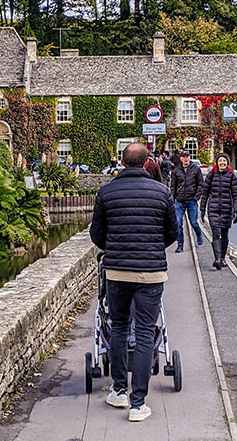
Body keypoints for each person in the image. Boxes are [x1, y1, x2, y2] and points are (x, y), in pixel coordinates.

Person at [89, 142, 177, 423]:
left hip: (116, 272)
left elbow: (97, 234)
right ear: (147, 162)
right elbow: (171, 234)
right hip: (151, 273)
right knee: (144, 335)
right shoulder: (162, 192)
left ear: (122, 162)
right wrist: (151, 250)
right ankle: (138, 405)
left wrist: (114, 251)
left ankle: (118, 391)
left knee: (117, 328)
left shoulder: (106, 191)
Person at [200, 153, 237, 270]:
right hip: (213, 208)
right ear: (217, 162)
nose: (222, 162)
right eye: (220, 161)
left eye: (224, 161)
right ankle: (217, 258)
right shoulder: (211, 175)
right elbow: (205, 193)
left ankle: (222, 258)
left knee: (225, 234)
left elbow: (235, 195)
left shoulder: (232, 176)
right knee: (216, 234)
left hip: (227, 209)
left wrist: (236, 210)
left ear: (227, 163)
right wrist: (202, 209)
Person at [169, 151, 204, 252]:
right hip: (180, 201)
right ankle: (180, 244)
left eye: (187, 157)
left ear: (189, 158)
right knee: (178, 223)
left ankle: (199, 234)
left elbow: (200, 184)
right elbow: (173, 186)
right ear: (180, 159)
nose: (185, 159)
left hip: (191, 200)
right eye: (183, 157)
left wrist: (196, 197)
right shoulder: (176, 171)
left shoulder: (196, 169)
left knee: (193, 222)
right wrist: (173, 198)